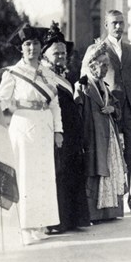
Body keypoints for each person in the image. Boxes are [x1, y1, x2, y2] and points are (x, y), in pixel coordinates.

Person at [0, 24, 63, 245]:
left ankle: (39, 223)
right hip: (23, 128)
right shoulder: (13, 73)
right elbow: (2, 102)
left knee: (43, 177)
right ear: (21, 49)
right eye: (27, 44)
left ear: (42, 47)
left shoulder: (47, 74)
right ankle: (24, 226)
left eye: (35, 44)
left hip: (44, 128)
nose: (32, 48)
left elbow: (55, 105)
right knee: (25, 176)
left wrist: (58, 131)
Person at [40, 22, 90, 234]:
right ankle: (57, 221)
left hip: (72, 134)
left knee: (71, 172)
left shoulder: (66, 76)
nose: (60, 56)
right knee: (58, 174)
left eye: (62, 53)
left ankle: (73, 219)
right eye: (56, 53)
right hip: (55, 131)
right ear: (45, 55)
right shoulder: (42, 75)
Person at [102, 10, 131, 215]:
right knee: (111, 154)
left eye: (121, 23)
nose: (118, 27)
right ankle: (113, 200)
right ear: (106, 25)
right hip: (109, 108)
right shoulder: (98, 48)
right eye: (114, 23)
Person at [75, 41, 127, 223]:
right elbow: (77, 113)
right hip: (93, 135)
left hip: (108, 133)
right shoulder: (83, 86)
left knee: (110, 168)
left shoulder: (104, 86)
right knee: (95, 170)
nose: (105, 68)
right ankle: (93, 214)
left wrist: (112, 109)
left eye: (107, 65)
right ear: (91, 64)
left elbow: (116, 107)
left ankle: (110, 211)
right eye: (101, 64)